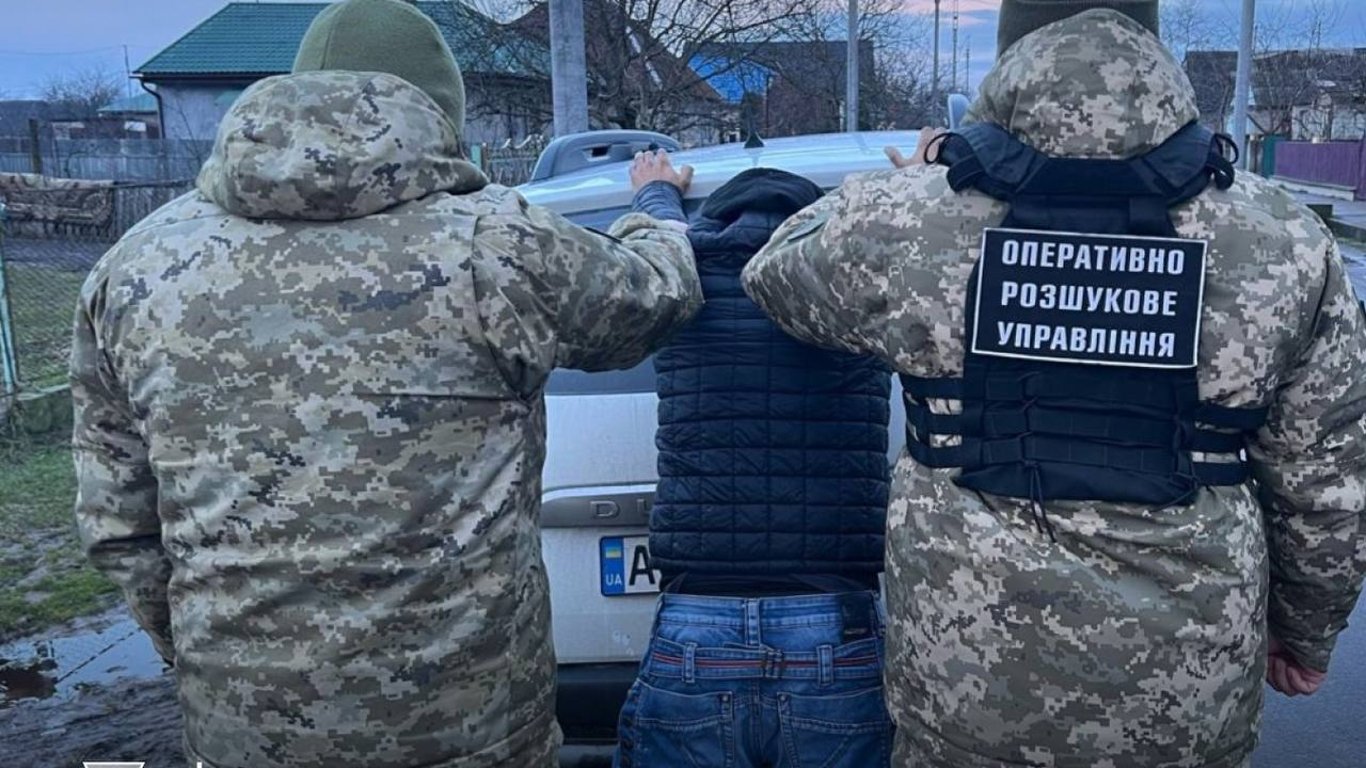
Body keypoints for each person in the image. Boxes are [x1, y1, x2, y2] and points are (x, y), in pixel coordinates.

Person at [69, 1, 701, 766]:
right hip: (468, 732)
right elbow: (654, 300)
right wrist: (656, 212)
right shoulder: (496, 243)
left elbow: (119, 525)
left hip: (244, 733)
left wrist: (208, 652)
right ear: (437, 113)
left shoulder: (135, 268)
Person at [742, 2, 1366, 767]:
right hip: (1188, 694)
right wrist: (1304, 632)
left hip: (969, 687)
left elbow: (775, 271)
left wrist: (924, 180)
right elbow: (1328, 483)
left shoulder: (906, 222)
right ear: (1152, 45)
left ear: (1011, 53)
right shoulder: (1286, 239)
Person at [612, 168, 894, 768]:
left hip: (697, 621)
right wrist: (925, 172)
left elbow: (651, 248)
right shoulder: (857, 281)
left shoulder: (683, 280)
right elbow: (923, 239)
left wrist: (657, 193)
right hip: (833, 623)